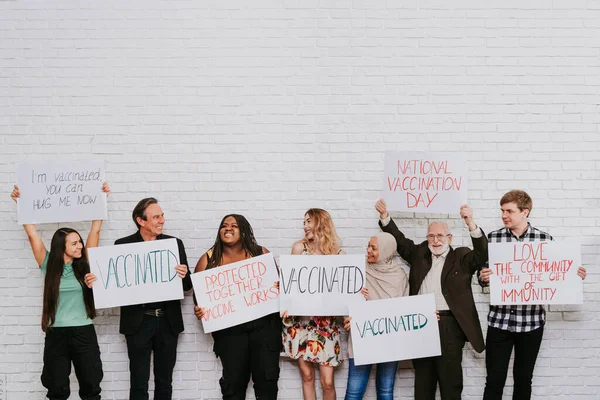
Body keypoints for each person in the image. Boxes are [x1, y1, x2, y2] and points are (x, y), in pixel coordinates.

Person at [478, 190, 587, 400]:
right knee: (494, 381)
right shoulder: (493, 239)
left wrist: (574, 275)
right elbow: (481, 277)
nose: (504, 215)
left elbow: (556, 274)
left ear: (525, 212)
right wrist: (483, 277)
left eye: (509, 211)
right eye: (502, 210)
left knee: (523, 380)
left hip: (532, 323)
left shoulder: (545, 240)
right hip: (499, 322)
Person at [375, 199, 488, 400]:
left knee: (450, 386)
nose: (435, 240)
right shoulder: (420, 253)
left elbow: (482, 254)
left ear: (449, 238)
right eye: (431, 236)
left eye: (440, 236)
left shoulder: (462, 257)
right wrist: (385, 217)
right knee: (423, 386)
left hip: (450, 328)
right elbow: (400, 242)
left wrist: (471, 223)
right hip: (421, 325)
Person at [11, 182, 109, 400]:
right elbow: (32, 235)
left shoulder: (86, 263)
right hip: (57, 334)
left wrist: (100, 199)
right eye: (73, 243)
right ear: (61, 246)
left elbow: (96, 229)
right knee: (57, 390)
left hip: (84, 332)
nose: (79, 246)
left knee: (91, 388)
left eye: (79, 242)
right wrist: (21, 203)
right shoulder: (48, 264)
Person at [193, 214, 281, 400]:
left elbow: (279, 286)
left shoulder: (260, 254)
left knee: (267, 384)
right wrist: (199, 310)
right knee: (233, 385)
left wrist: (278, 288)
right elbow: (199, 299)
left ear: (244, 230)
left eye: (234, 225)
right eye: (224, 225)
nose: (228, 228)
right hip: (230, 333)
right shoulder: (208, 259)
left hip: (263, 329)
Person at [112, 198, 192, 400]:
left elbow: (187, 287)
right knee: (138, 383)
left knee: (164, 382)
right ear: (141, 220)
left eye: (162, 215)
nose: (162, 220)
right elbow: (115, 285)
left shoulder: (174, 244)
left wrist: (184, 275)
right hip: (138, 322)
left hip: (167, 321)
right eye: (156, 216)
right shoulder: (122, 246)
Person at [281, 208, 344, 400]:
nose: (305, 226)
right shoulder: (299, 249)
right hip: (300, 323)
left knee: (328, 382)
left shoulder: (338, 254)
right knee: (307, 376)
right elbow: (290, 282)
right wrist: (283, 301)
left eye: (309, 222)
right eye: (304, 222)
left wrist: (358, 294)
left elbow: (344, 289)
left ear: (320, 223)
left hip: (325, 324)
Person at [342, 231, 409, 400]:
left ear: (387, 250)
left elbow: (405, 309)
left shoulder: (399, 276)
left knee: (386, 392)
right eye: (368, 246)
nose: (368, 250)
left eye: (373, 248)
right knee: (353, 393)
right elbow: (344, 299)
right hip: (362, 338)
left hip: (389, 341)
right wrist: (347, 316)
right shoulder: (358, 269)